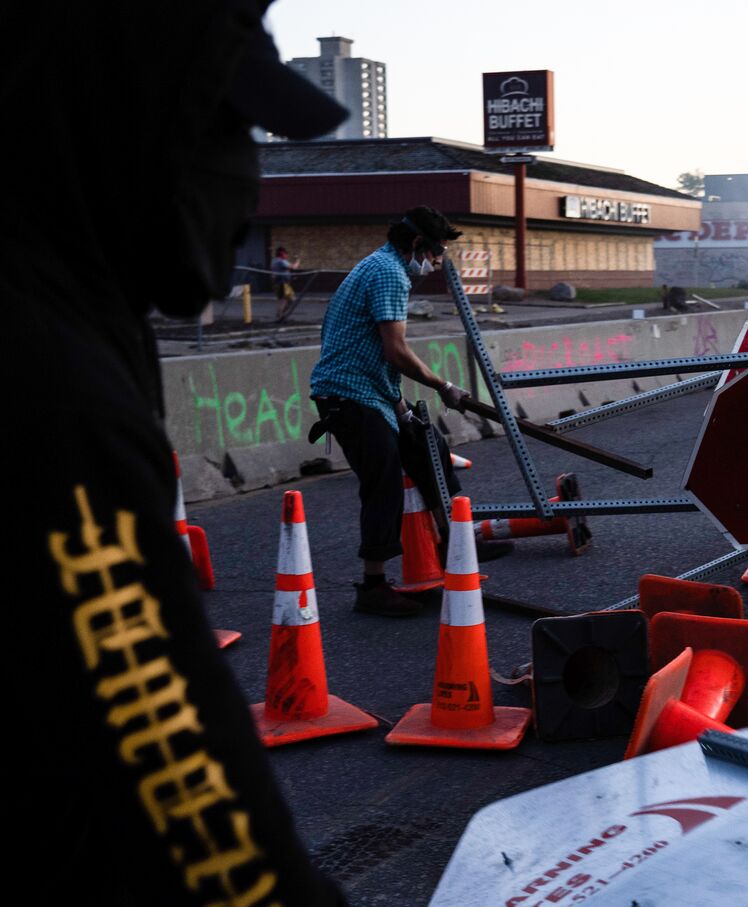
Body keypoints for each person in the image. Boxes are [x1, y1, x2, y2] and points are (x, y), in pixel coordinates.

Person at [12, 2, 349, 903]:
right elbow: (170, 754)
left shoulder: (73, 307)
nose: (249, 184)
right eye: (229, 130)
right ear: (124, 124)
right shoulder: (44, 385)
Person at [308, 205, 498, 617]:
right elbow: (395, 350)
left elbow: (373, 350)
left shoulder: (378, 266)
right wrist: (442, 386)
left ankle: (455, 542)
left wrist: (397, 404)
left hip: (371, 391)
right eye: (435, 253)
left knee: (426, 446)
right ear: (416, 244)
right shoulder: (390, 273)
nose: (436, 262)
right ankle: (373, 586)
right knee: (384, 482)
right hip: (347, 395)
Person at [272, 245, 301, 319]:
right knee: (286, 299)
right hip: (283, 283)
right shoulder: (281, 261)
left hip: (280, 283)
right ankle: (280, 315)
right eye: (285, 253)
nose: (287, 255)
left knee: (283, 299)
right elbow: (294, 267)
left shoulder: (275, 260)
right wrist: (298, 260)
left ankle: (280, 315)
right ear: (282, 253)